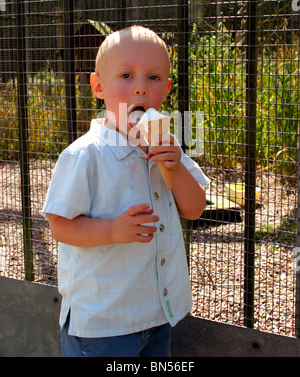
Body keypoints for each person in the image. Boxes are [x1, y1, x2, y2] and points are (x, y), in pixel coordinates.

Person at [42, 25, 210, 357]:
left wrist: (174, 168)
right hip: (104, 325)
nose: (140, 90)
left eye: (153, 78)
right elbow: (59, 225)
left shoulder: (167, 146)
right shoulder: (84, 156)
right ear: (98, 86)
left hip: (157, 315)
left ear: (167, 89)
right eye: (126, 76)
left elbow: (194, 209)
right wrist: (113, 229)